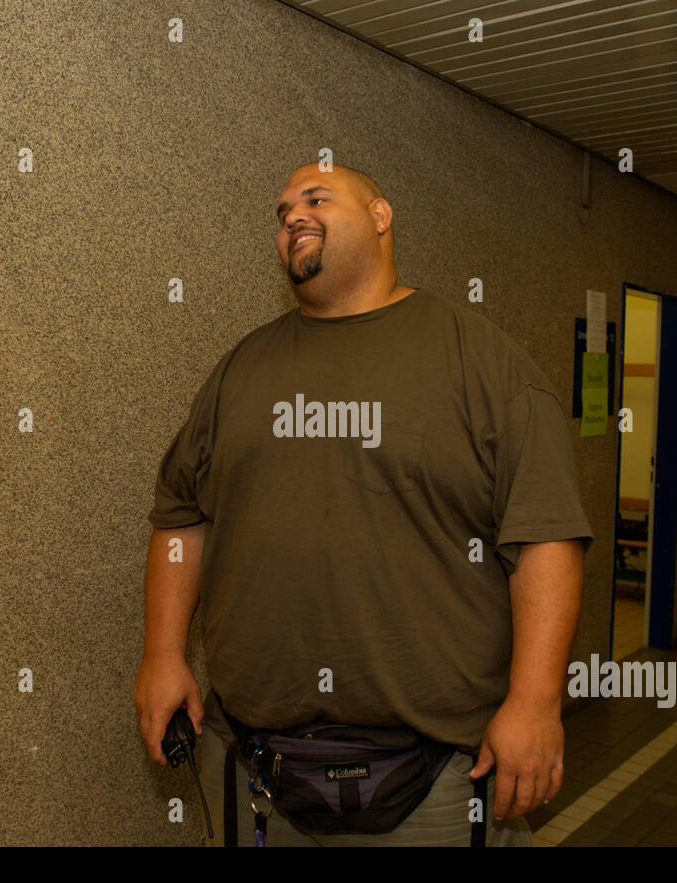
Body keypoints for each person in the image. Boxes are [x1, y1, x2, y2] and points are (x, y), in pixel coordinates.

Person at [134, 161, 594, 846]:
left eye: (315, 198)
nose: (292, 215)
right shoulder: (241, 370)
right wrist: (163, 653)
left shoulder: (483, 365)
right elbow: (180, 515)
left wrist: (535, 702)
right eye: (282, 209)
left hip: (435, 779)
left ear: (382, 216)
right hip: (258, 770)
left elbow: (546, 536)